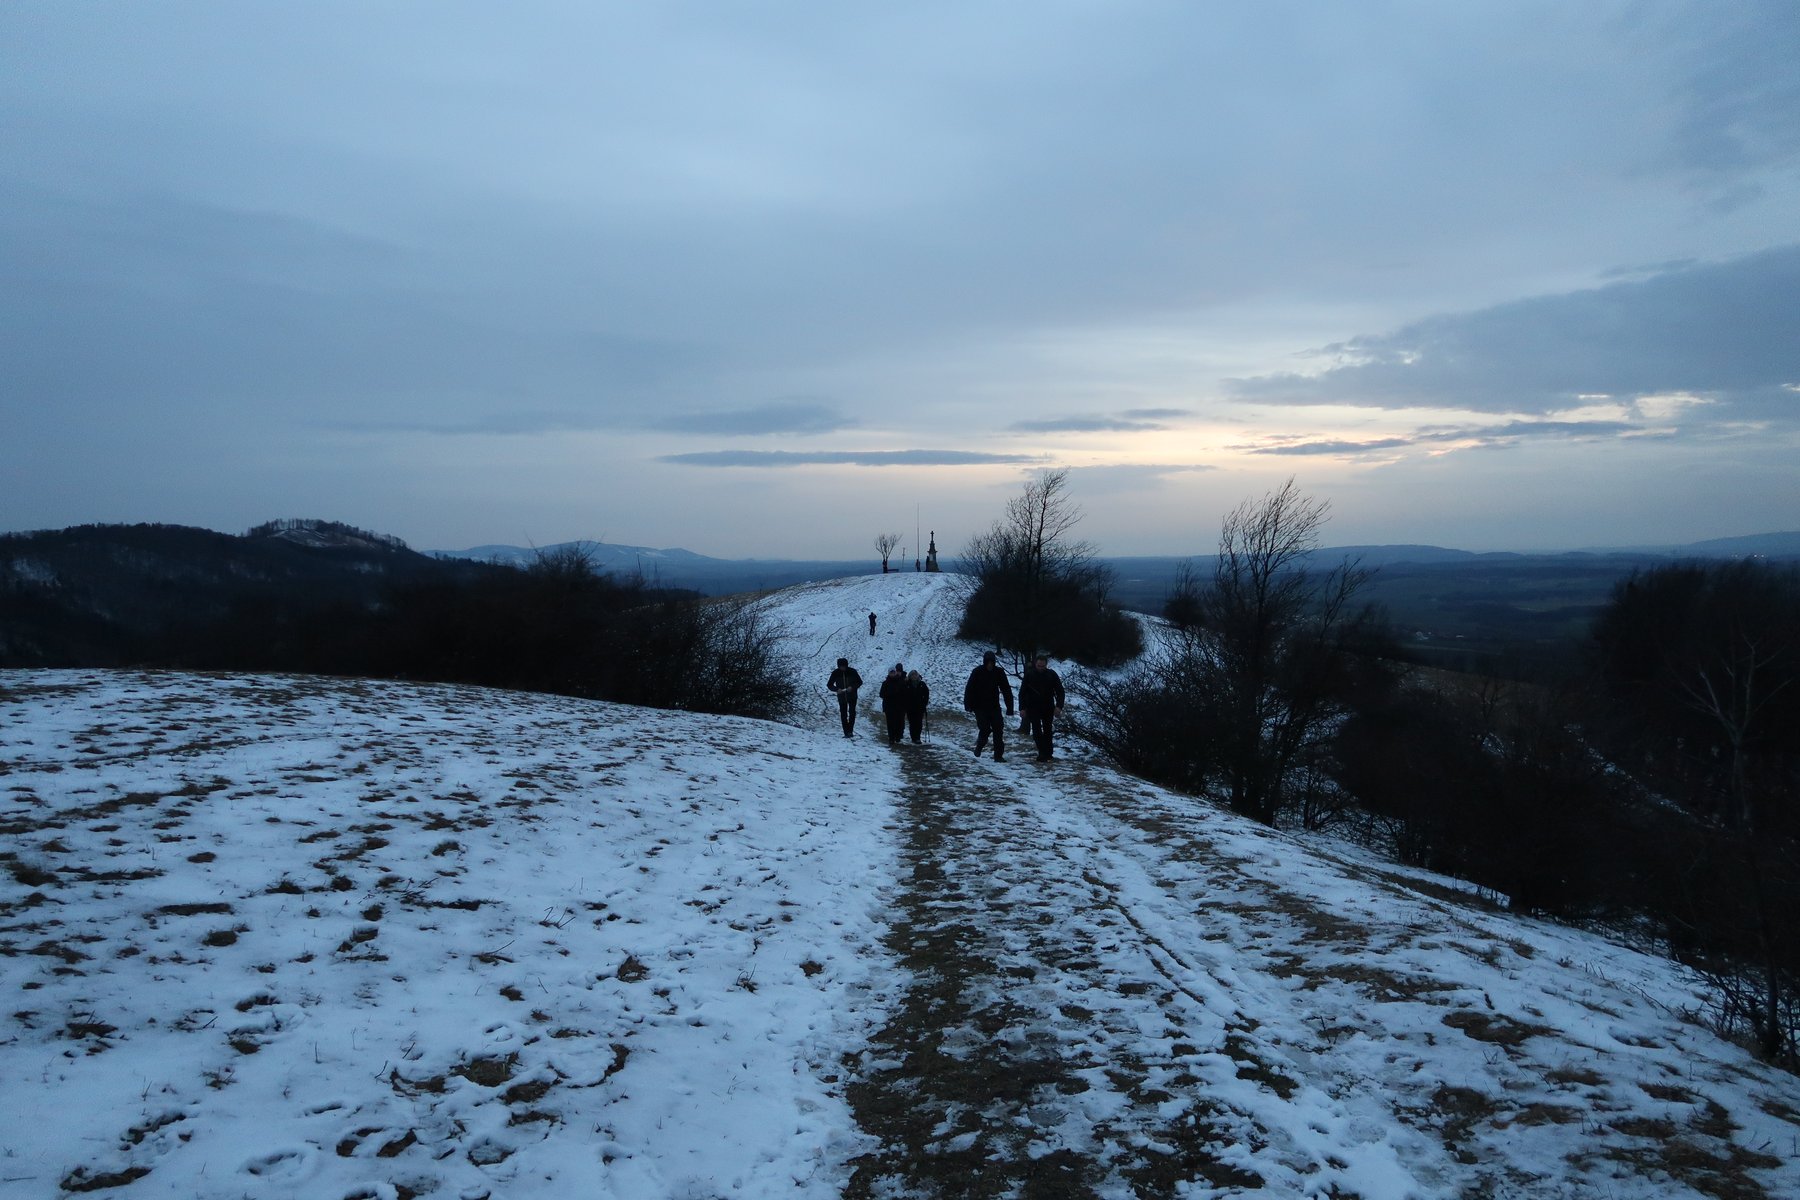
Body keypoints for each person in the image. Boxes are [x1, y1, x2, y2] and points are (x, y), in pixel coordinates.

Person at [961, 650, 1015, 761]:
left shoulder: (998, 672)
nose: (990, 665)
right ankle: (980, 745)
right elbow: (969, 688)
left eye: (992, 663)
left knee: (998, 729)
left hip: (994, 706)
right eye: (988, 662)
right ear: (985, 662)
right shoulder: (977, 672)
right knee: (985, 728)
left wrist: (1010, 707)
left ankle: (998, 756)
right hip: (979, 706)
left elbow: (1006, 689)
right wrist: (968, 704)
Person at [1019, 654, 1067, 761]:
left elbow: (1060, 691)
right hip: (1033, 707)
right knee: (1036, 731)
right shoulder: (1029, 675)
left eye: (1043, 666)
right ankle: (1042, 752)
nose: (1040, 668)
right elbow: (1022, 692)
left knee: (1047, 730)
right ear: (1035, 664)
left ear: (1046, 665)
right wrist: (1022, 708)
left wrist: (1059, 706)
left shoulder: (1051, 675)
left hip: (1048, 706)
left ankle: (1048, 753)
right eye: (1039, 666)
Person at [827, 658, 862, 737]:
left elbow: (859, 682)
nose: (842, 668)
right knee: (843, 714)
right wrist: (836, 689)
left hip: (852, 696)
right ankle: (846, 732)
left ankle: (850, 731)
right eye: (841, 666)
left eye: (844, 666)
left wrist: (852, 687)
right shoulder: (835, 673)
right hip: (841, 697)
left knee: (852, 713)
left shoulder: (852, 671)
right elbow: (829, 684)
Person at [879, 662, 908, 745]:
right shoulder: (885, 683)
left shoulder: (901, 682)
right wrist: (890, 694)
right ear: (889, 673)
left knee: (900, 722)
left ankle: (898, 736)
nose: (892, 674)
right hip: (889, 706)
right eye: (891, 672)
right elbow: (881, 694)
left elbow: (905, 693)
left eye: (894, 672)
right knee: (890, 723)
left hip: (900, 706)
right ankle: (891, 738)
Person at [904, 669, 930, 744]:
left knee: (919, 723)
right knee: (912, 723)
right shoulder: (907, 684)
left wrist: (924, 703)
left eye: (915, 675)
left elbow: (926, 694)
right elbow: (904, 695)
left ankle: (917, 738)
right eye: (912, 675)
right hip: (910, 707)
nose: (914, 676)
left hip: (920, 707)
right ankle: (913, 737)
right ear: (910, 676)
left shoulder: (922, 684)